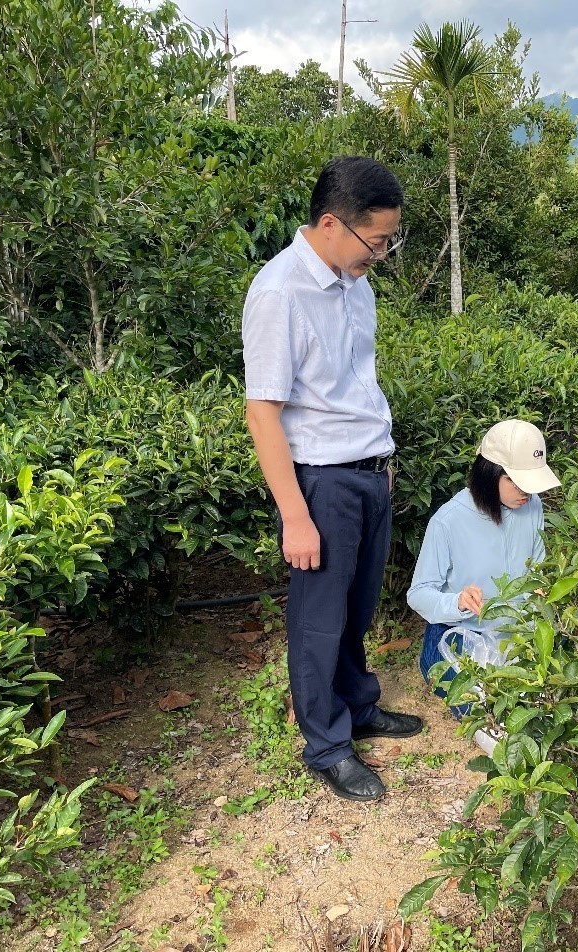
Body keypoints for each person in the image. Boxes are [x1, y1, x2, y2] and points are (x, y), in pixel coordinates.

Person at [242, 156, 422, 803]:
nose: (381, 251)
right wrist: (294, 513)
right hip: (320, 483)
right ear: (329, 224)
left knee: (356, 608)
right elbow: (261, 410)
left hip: (369, 473)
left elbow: (356, 387)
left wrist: (383, 464)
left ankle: (358, 706)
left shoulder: (356, 284)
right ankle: (325, 746)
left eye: (387, 239)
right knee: (319, 621)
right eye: (375, 240)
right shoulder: (278, 293)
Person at [407, 420, 560, 735]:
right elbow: (419, 593)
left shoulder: (533, 508)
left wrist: (541, 592)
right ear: (491, 473)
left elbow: (537, 568)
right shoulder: (448, 522)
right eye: (516, 482)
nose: (526, 493)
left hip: (514, 634)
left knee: (547, 713)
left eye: (531, 485)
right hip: (459, 636)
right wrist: (457, 601)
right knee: (495, 725)